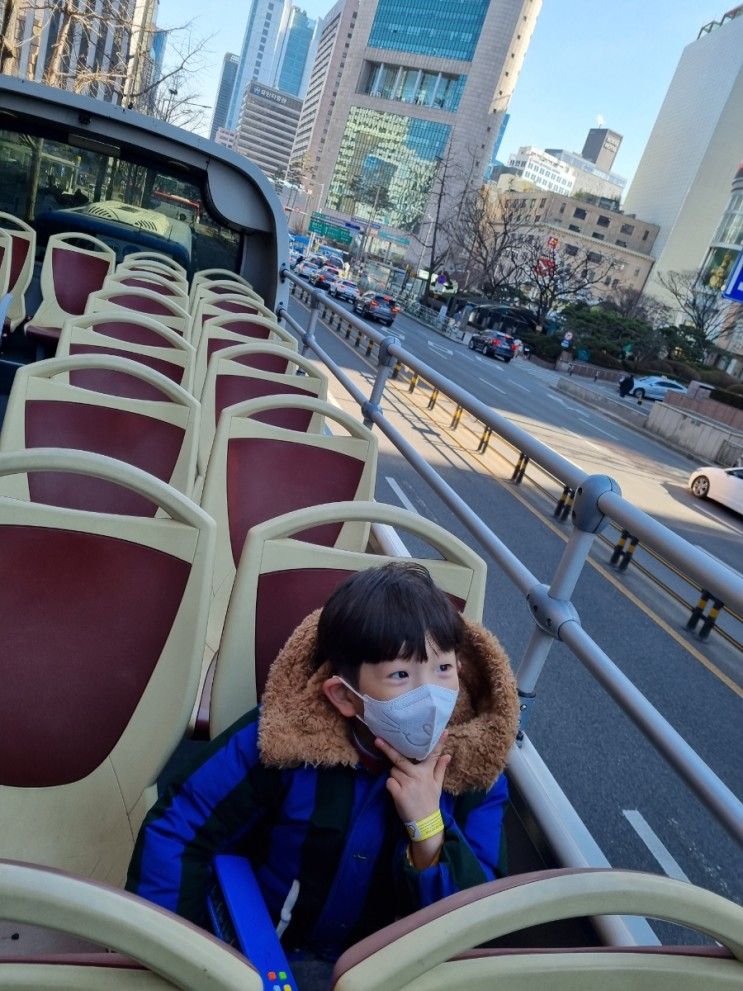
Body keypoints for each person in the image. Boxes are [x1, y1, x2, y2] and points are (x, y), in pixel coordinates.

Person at [126, 562, 518, 983]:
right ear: (345, 697)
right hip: (273, 956)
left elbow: (479, 923)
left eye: (442, 669)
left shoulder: (475, 770)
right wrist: (173, 959)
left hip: (388, 975)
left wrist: (429, 832)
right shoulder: (284, 742)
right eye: (401, 675)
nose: (430, 697)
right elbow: (179, 828)